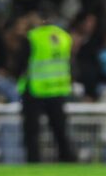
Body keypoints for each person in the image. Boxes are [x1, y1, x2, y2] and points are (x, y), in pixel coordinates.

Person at [17, 17, 77, 163]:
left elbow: (22, 62)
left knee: (32, 131)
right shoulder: (64, 37)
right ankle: (68, 160)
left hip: (35, 89)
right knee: (60, 129)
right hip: (58, 88)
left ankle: (33, 162)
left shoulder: (33, 37)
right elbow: (70, 62)